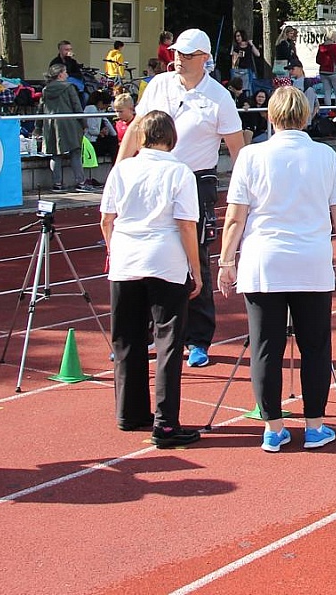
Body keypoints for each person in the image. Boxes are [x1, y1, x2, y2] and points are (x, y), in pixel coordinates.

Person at [216, 86, 336, 452]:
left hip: (264, 262)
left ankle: (273, 428)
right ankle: (314, 425)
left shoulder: (250, 156)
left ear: (270, 117)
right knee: (315, 346)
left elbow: (235, 217)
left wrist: (226, 260)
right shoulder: (324, 155)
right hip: (310, 262)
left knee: (265, 348)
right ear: (306, 116)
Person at [119, 28, 244, 369]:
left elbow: (236, 149)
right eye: (176, 53)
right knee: (146, 253)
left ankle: (198, 338)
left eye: (187, 55)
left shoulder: (219, 97)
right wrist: (119, 172)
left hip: (195, 180)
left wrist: (246, 190)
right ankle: (143, 333)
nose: (178, 59)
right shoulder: (159, 84)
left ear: (205, 58)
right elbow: (135, 128)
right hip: (151, 176)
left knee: (196, 258)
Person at [100, 110, 202, 449]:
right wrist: (196, 270)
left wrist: (113, 252)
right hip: (165, 260)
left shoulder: (122, 169)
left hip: (126, 258)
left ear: (142, 137)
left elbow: (106, 220)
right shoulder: (179, 172)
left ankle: (129, 413)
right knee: (168, 343)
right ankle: (166, 423)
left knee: (127, 339)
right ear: (171, 138)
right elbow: (187, 225)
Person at [40, 63, 87, 193]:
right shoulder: (69, 87)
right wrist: (84, 124)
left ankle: (57, 184)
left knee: (56, 154)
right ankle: (81, 182)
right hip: (69, 123)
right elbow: (77, 106)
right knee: (75, 152)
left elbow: (41, 108)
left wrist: (38, 127)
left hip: (51, 123)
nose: (67, 74)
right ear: (60, 74)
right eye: (65, 72)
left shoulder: (45, 89)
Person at [315, 32, 336, 108]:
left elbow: (318, 60)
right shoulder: (335, 47)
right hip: (334, 72)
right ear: (333, 37)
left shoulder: (321, 47)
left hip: (323, 72)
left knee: (327, 92)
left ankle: (327, 111)